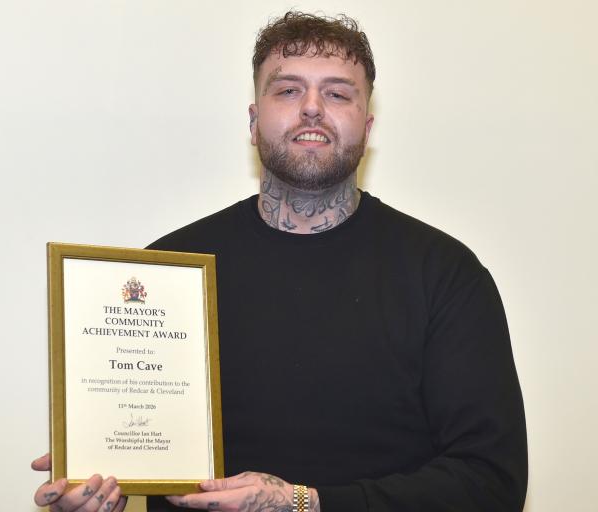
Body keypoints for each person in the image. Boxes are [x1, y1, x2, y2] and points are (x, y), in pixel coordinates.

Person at [33, 11, 527, 512]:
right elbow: (144, 456)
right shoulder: (169, 272)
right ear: (253, 121)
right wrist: (101, 482)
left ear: (367, 125)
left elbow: (491, 482)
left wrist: (305, 504)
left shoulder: (445, 275)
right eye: (288, 90)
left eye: (337, 93)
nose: (312, 108)